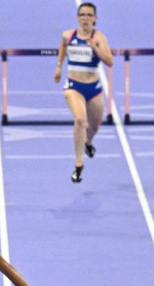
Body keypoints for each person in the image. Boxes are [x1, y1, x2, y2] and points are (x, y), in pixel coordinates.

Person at [53, 2, 113, 183]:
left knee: (94, 127)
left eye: (89, 15)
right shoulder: (68, 35)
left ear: (95, 19)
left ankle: (88, 142)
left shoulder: (99, 37)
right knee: (80, 119)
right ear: (78, 18)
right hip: (74, 86)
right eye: (83, 15)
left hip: (93, 89)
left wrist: (95, 48)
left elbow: (109, 61)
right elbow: (63, 46)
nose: (85, 18)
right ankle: (79, 165)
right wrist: (58, 66)